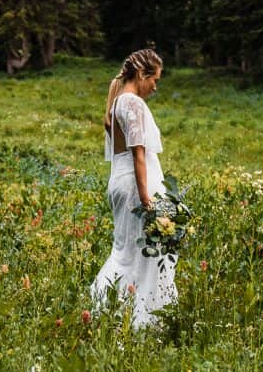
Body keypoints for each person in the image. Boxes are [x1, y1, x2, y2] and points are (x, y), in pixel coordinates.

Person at [90, 48, 177, 328]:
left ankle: (111, 311)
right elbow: (138, 153)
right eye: (155, 80)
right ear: (142, 74)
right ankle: (143, 321)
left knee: (125, 252)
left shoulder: (116, 101)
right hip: (136, 187)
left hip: (120, 182)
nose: (155, 87)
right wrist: (147, 200)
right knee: (145, 256)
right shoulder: (133, 103)